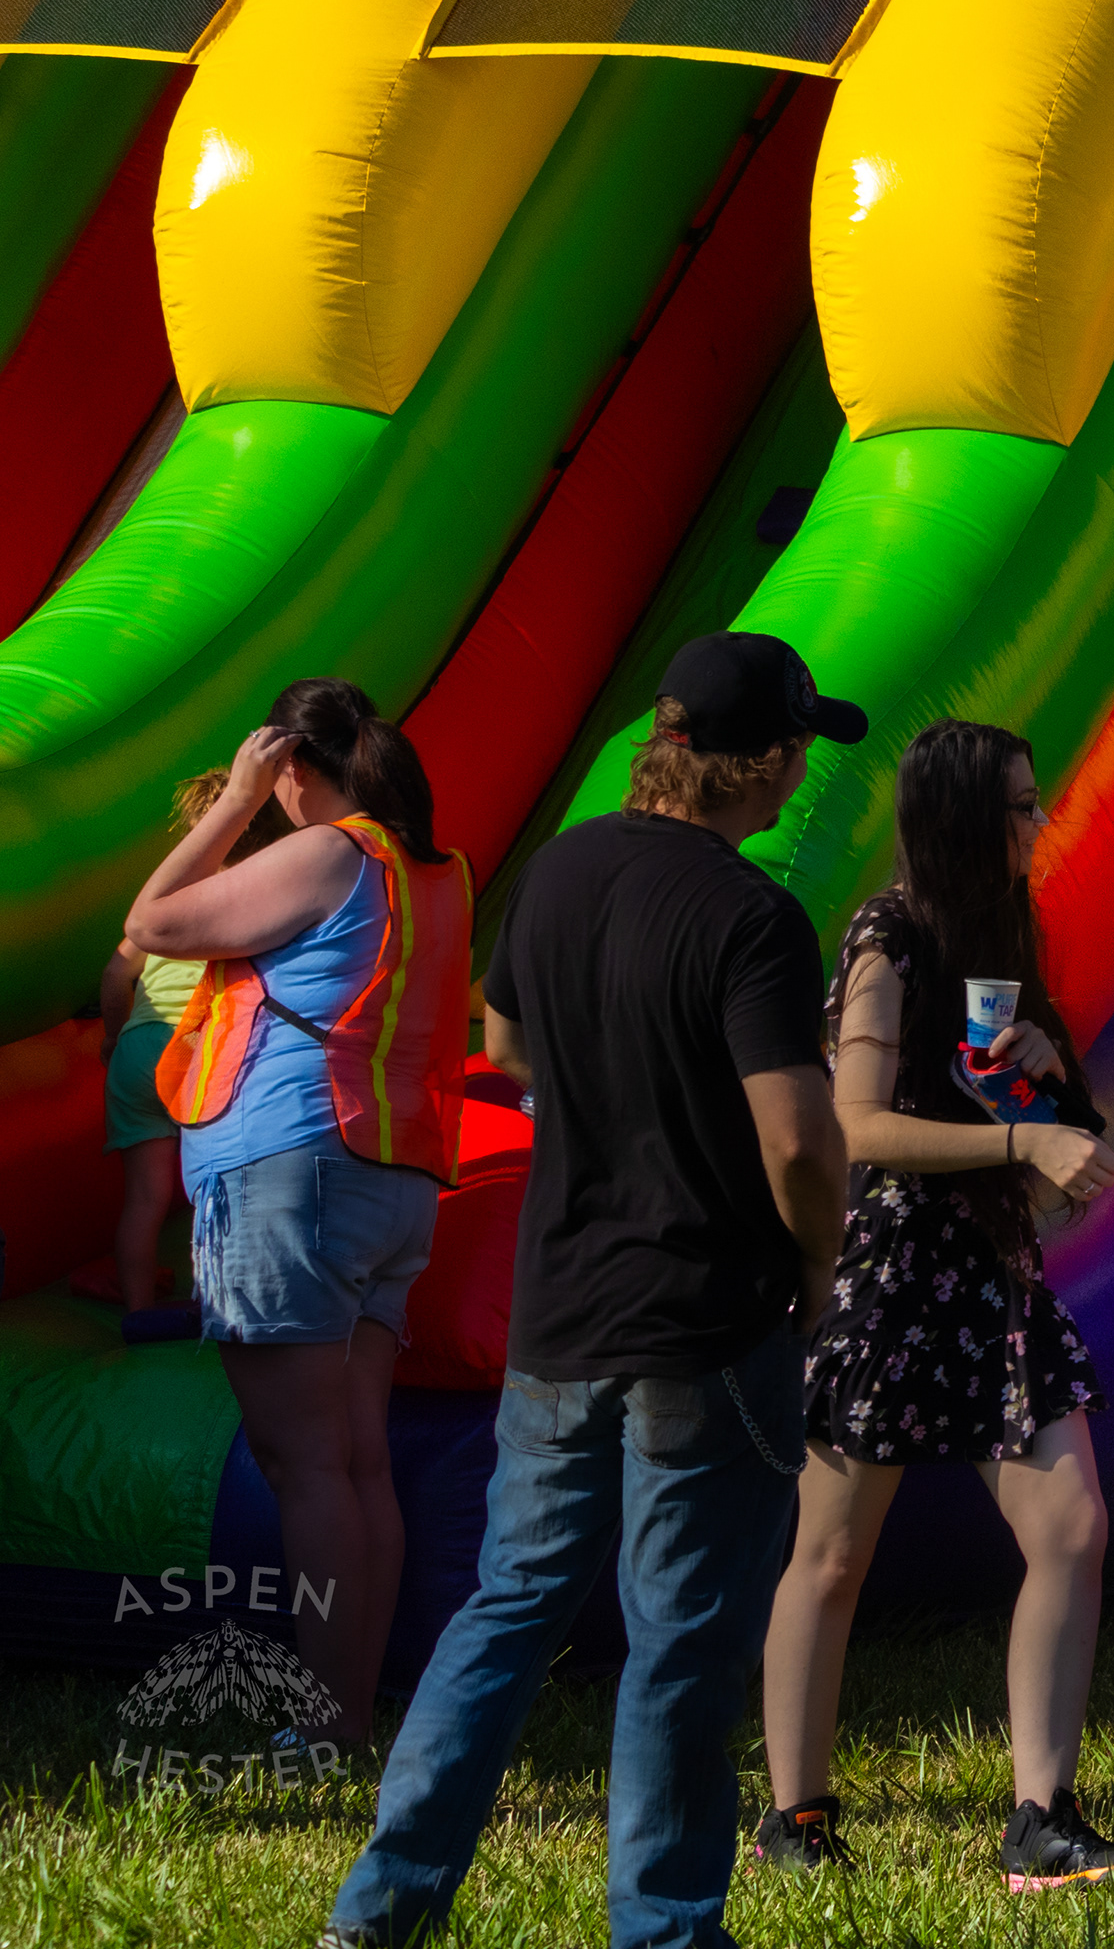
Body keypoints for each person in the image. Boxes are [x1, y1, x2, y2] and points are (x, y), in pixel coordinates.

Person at [326, 634, 856, 1949]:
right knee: (680, 1636)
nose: (799, 777)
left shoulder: (562, 872)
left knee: (509, 1608)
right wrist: (817, 1264)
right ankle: (666, 1930)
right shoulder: (752, 918)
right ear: (765, 762)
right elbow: (796, 1137)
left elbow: (505, 1041)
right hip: (705, 1321)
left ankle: (378, 1912)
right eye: (795, 753)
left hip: (559, 1311)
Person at [756, 718, 1114, 1891]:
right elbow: (856, 1124)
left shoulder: (999, 936)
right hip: (894, 1283)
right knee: (829, 1558)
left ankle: (1042, 1815)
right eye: (1020, 803)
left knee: (1071, 1530)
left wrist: (1041, 1075)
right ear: (966, 814)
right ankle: (796, 1818)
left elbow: (1037, 1128)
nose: (1038, 820)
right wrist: (1026, 1131)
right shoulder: (889, 941)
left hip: (989, 1274)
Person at [123, 682, 468, 1749]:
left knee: (311, 1464)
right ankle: (349, 1716)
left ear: (290, 764)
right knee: (356, 1459)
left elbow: (152, 924)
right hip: (387, 1181)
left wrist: (228, 804)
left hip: (291, 1173)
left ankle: (325, 1725)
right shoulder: (434, 870)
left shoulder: (331, 853)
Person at [98, 768, 297, 1342]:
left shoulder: (173, 891)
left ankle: (136, 1310)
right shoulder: (255, 892)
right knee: (210, 1189)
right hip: (196, 1046)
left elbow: (117, 973)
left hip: (137, 1048)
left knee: (145, 1196)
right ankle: (210, 1304)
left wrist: (114, 1039)